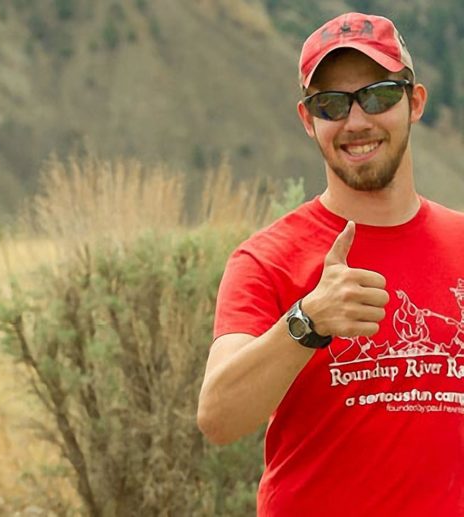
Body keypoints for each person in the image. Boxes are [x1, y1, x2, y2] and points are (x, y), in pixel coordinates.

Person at [197, 12, 464, 516]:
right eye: (331, 104)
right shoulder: (266, 259)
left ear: (415, 103)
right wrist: (308, 322)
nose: (357, 121)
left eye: (379, 95)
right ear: (307, 120)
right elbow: (219, 417)